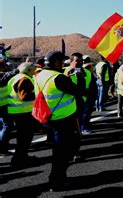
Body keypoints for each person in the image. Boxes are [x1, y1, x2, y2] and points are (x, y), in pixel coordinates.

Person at [35, 51, 84, 191]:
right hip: (62, 120)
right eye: (62, 61)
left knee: (58, 152)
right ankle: (57, 182)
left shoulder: (41, 74)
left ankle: (56, 179)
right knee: (61, 154)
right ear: (56, 62)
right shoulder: (58, 78)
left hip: (49, 117)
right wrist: (79, 78)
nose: (64, 63)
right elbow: (79, 91)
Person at [7, 62, 36, 167]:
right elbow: (24, 96)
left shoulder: (15, 77)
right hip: (23, 112)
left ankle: (21, 157)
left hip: (17, 111)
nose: (34, 71)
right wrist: (38, 94)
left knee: (22, 137)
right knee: (25, 137)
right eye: (33, 69)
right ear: (28, 70)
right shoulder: (24, 79)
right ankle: (19, 159)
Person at [0, 58, 19, 156]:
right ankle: (2, 148)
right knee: (7, 125)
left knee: (2, 126)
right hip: (2, 105)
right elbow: (7, 75)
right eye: (5, 66)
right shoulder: (1, 76)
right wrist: (19, 69)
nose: (7, 67)